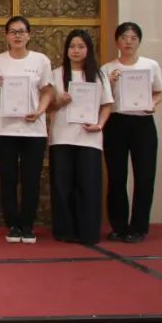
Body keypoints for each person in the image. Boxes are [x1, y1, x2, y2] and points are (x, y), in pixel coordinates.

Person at [0, 16, 54, 244]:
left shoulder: (41, 60)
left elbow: (47, 90)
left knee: (31, 179)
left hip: (33, 129)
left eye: (21, 31)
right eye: (13, 32)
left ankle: (27, 226)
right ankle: (12, 225)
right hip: (4, 129)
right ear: (6, 36)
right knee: (8, 178)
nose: (17, 36)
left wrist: (40, 111)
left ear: (29, 35)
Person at [102, 22, 162, 243]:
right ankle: (119, 226)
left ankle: (139, 227)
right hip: (116, 123)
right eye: (123, 37)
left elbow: (159, 92)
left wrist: (153, 104)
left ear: (139, 41)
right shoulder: (107, 68)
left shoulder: (151, 65)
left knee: (145, 176)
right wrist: (109, 82)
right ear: (117, 41)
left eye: (133, 38)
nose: (128, 42)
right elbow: (102, 98)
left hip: (143, 123)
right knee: (117, 177)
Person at [48, 30, 112, 245]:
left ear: (88, 50)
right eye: (72, 46)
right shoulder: (56, 74)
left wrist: (99, 125)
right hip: (61, 137)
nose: (76, 50)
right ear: (66, 50)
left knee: (88, 186)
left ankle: (88, 232)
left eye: (81, 46)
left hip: (89, 138)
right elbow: (48, 106)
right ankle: (65, 231)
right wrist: (60, 102)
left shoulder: (99, 75)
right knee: (62, 186)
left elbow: (107, 105)